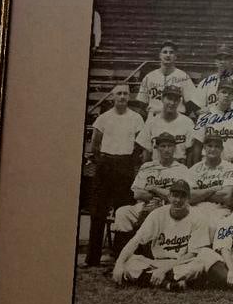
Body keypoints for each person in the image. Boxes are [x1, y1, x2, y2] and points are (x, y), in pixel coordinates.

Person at [112, 180, 221, 290]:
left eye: (182, 196)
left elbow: (192, 254)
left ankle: (154, 279)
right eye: (175, 196)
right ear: (169, 197)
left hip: (181, 263)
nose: (178, 200)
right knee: (130, 263)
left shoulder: (197, 217)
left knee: (198, 265)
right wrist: (119, 264)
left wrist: (164, 270)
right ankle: (169, 284)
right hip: (157, 262)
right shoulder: (157, 214)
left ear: (188, 198)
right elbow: (136, 241)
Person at [84, 84, 145, 267]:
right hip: (106, 165)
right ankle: (92, 258)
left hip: (125, 166)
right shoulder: (104, 118)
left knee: (123, 212)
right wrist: (103, 161)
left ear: (129, 97)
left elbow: (139, 143)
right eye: (119, 93)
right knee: (98, 212)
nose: (122, 97)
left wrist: (127, 162)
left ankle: (119, 257)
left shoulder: (136, 118)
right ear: (112, 97)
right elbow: (95, 144)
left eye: (125, 93)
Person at [110, 132, 191, 255]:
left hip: (169, 207)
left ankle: (148, 254)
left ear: (174, 148)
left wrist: (153, 188)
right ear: (157, 148)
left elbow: (180, 196)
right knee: (122, 212)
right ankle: (122, 256)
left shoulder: (182, 169)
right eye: (163, 146)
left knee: (154, 213)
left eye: (170, 146)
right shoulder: (147, 167)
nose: (166, 150)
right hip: (144, 204)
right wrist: (160, 194)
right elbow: (137, 193)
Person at [187, 132, 233, 235]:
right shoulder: (194, 169)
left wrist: (200, 194)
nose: (213, 149)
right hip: (197, 208)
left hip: (220, 209)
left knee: (213, 226)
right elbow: (190, 197)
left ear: (222, 149)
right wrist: (212, 190)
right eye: (209, 146)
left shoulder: (230, 168)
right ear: (204, 148)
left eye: (217, 146)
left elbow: (226, 196)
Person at [136, 84, 199, 165]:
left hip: (179, 167)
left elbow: (190, 152)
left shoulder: (187, 122)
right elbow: (146, 153)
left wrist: (188, 173)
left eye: (176, 100)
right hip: (157, 167)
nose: (172, 103)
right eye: (169, 99)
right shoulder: (152, 122)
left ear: (179, 101)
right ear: (162, 99)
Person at [136, 40, 198, 117]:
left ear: (175, 57)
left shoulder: (183, 77)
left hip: (176, 118)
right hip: (155, 117)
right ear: (160, 55)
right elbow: (142, 102)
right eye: (165, 52)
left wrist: (182, 117)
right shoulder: (149, 77)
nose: (168, 55)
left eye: (171, 52)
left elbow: (191, 101)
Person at [193, 78, 233, 164]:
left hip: (230, 163)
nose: (227, 95)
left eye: (230, 93)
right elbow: (197, 146)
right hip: (207, 164)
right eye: (224, 92)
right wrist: (196, 169)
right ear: (217, 93)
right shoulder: (205, 116)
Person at [195, 44, 233, 114]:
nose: (222, 62)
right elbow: (196, 107)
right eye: (220, 59)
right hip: (211, 120)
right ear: (215, 61)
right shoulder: (206, 83)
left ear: (232, 61)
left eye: (226, 59)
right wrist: (200, 111)